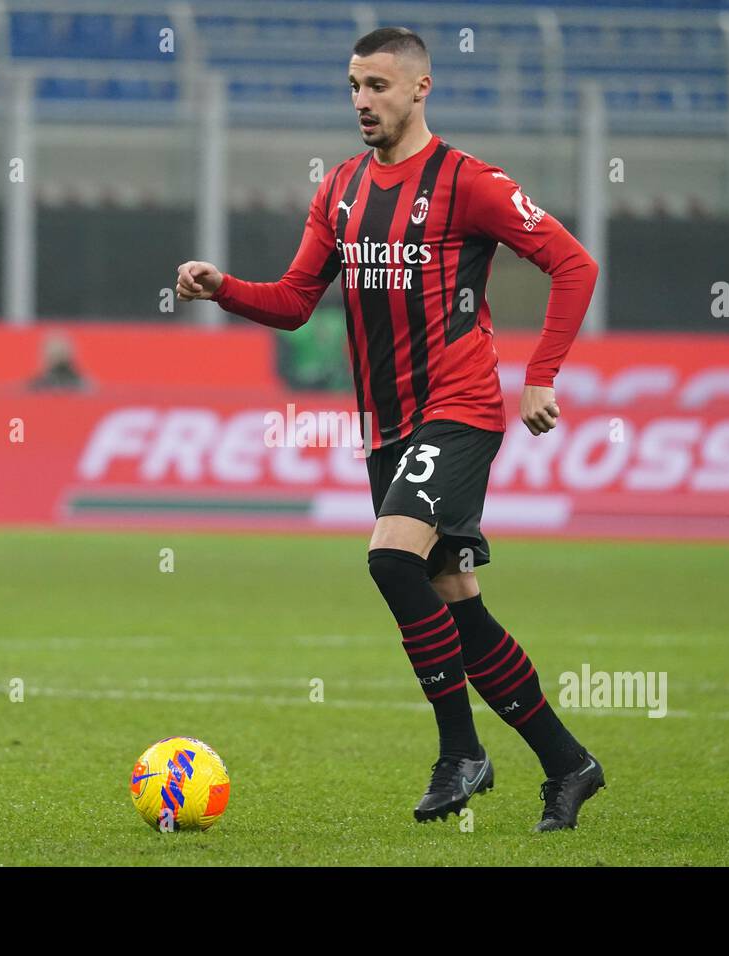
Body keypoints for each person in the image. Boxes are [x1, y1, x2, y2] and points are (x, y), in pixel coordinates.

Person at [176, 28, 604, 831]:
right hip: (386, 426)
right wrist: (224, 288)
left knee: (386, 559)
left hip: (461, 407)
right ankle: (568, 762)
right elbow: (297, 299)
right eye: (352, 86)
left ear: (419, 89)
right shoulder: (339, 189)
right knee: (458, 605)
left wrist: (541, 374)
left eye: (376, 85)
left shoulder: (469, 183)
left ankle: (460, 753)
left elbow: (574, 264)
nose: (362, 101)